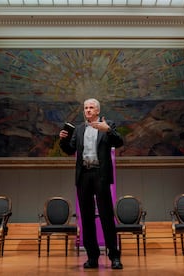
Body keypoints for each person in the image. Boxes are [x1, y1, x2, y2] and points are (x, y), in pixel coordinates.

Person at [59, 98, 124, 270]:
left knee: (106, 216)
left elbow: (119, 142)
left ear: (97, 111)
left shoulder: (107, 124)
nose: (87, 110)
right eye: (86, 108)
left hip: (100, 175)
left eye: (91, 108)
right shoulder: (79, 129)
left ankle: (114, 257)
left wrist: (108, 130)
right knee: (86, 218)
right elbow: (70, 150)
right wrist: (64, 140)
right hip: (84, 176)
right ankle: (92, 257)